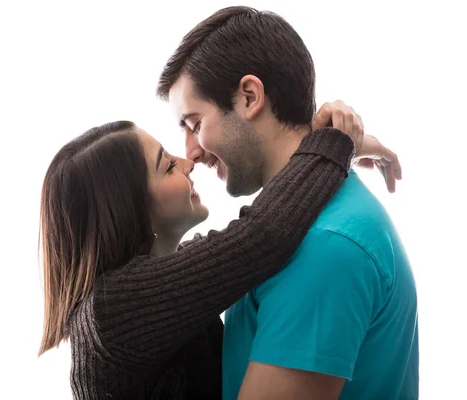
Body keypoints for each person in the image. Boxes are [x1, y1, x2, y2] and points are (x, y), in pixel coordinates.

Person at [37, 106, 397, 398]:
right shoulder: (114, 311)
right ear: (131, 209)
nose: (188, 161)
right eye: (166, 166)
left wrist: (349, 146)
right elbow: (261, 235)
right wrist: (336, 144)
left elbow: (261, 229)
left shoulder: (157, 285)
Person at [157, 6, 417, 400]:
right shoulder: (299, 224)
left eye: (195, 124)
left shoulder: (323, 246)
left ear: (249, 97)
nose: (190, 152)